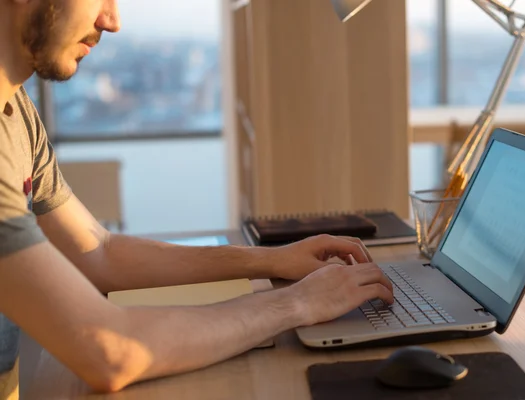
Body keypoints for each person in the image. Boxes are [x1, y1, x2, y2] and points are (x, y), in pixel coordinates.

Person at [0, 0, 394, 393]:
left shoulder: (16, 112)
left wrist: (273, 259)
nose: (112, 20)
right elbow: (109, 351)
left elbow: (98, 251)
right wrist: (296, 304)